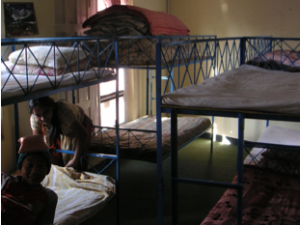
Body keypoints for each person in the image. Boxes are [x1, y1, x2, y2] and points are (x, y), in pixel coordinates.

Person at [0, 135, 58, 225]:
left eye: (41, 166)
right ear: (20, 167)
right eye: (29, 165)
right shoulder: (6, 181)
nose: (34, 171)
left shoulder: (48, 197)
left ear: (47, 170)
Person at [28, 96, 94, 170]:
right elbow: (39, 142)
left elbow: (82, 134)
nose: (43, 118)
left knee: (76, 165)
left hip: (80, 127)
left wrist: (75, 160)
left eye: (46, 112)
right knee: (56, 158)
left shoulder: (63, 111)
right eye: (38, 115)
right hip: (59, 129)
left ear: (52, 107)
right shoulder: (34, 118)